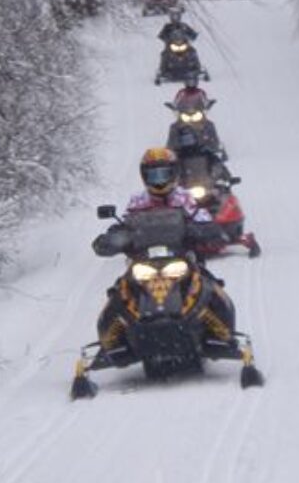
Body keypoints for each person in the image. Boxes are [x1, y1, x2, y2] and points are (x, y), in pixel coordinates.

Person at [92, 148, 235, 353]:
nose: (159, 180)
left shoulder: (185, 198)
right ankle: (112, 343)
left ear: (174, 173)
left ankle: (223, 334)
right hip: (144, 260)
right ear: (144, 176)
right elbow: (125, 223)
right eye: (153, 175)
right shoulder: (138, 201)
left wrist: (204, 230)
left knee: (209, 285)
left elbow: (203, 219)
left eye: (163, 174)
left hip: (182, 257)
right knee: (119, 293)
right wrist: (114, 238)